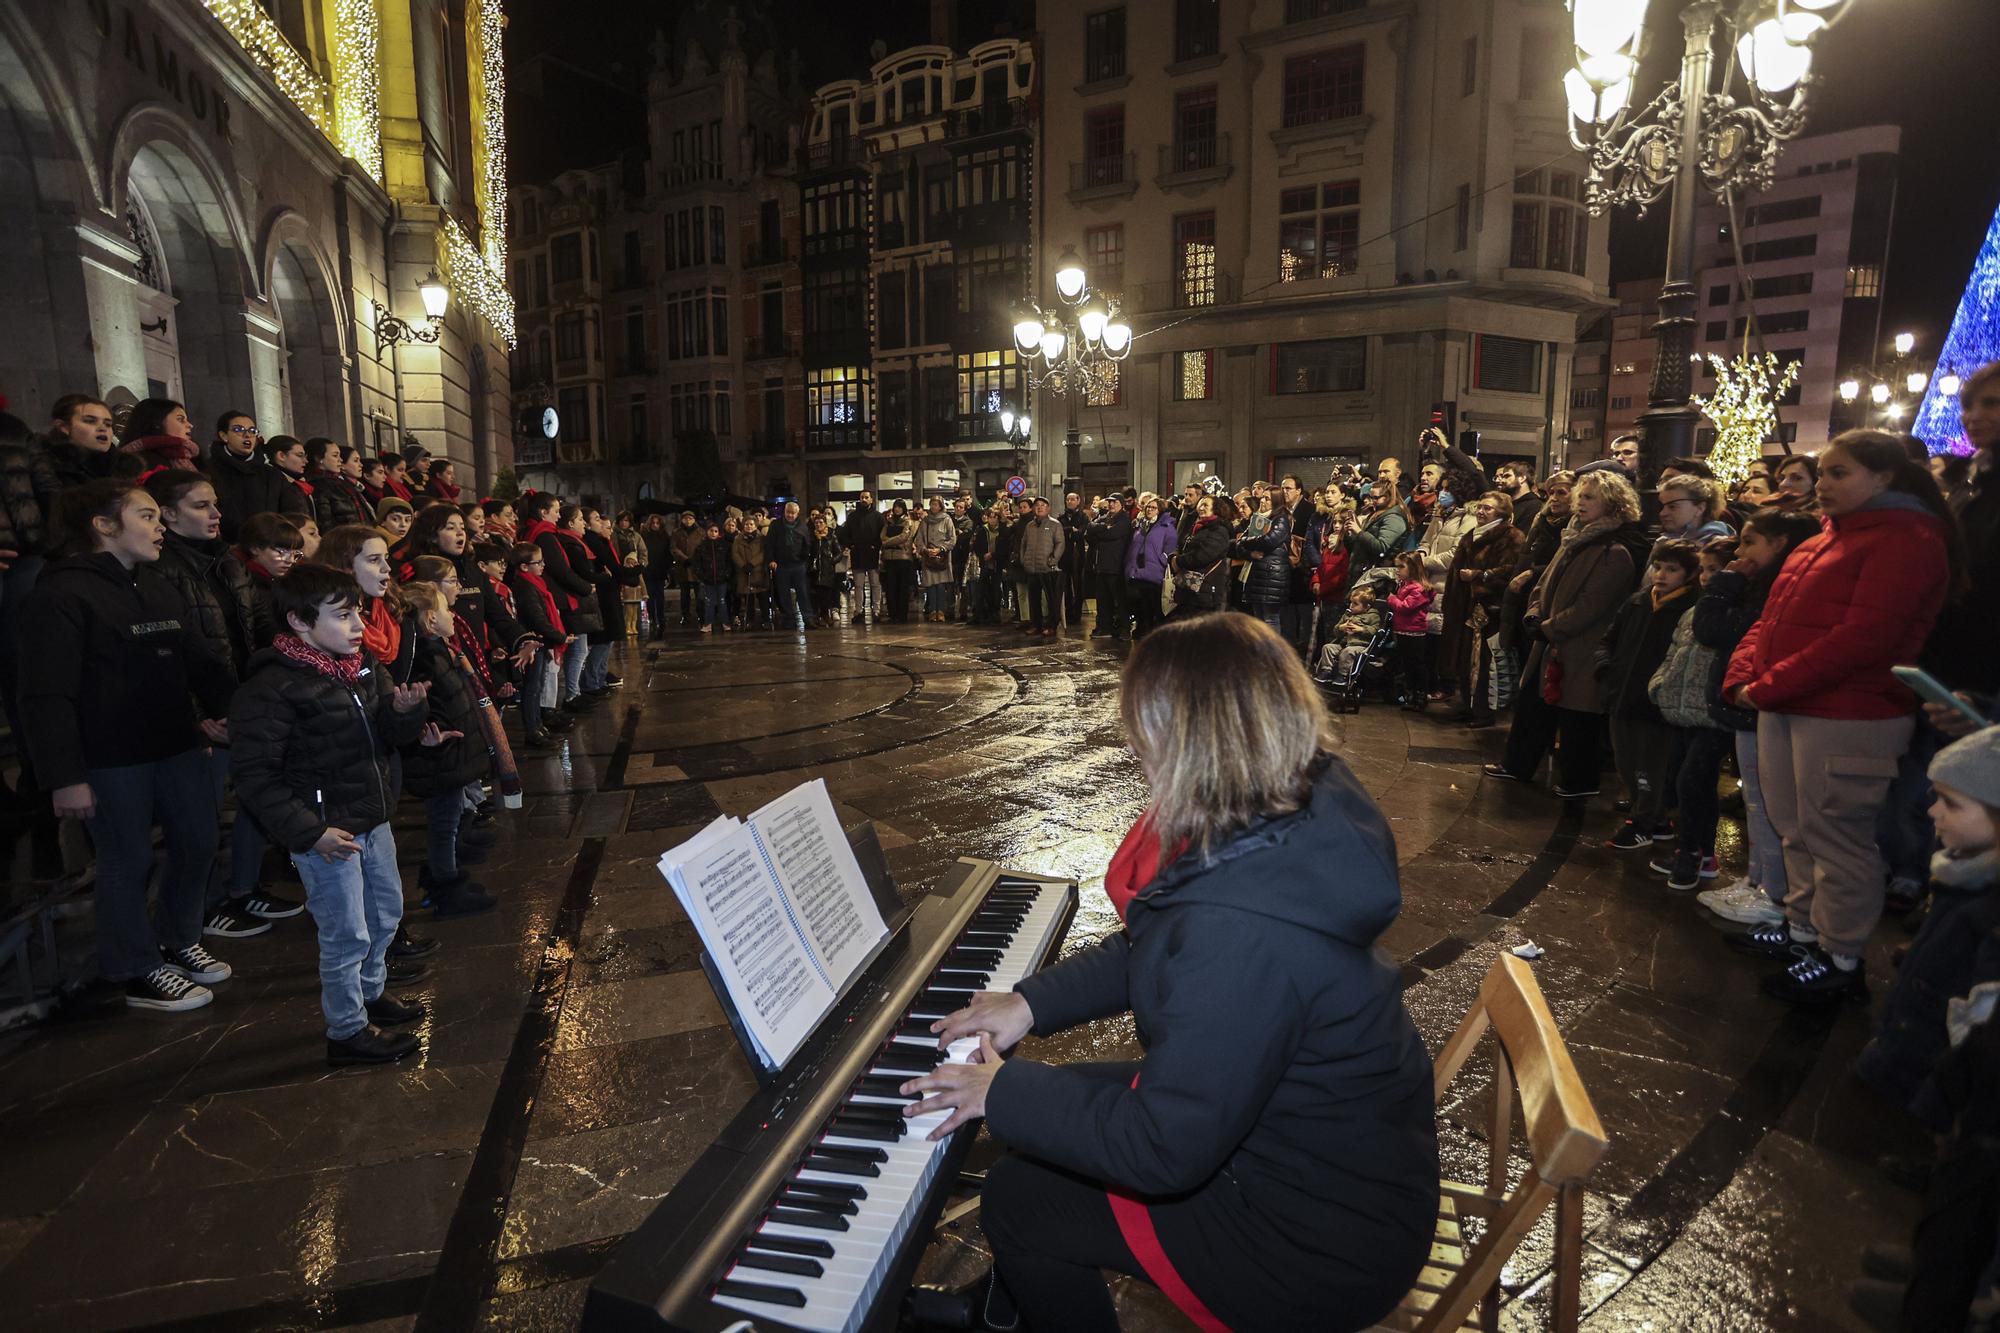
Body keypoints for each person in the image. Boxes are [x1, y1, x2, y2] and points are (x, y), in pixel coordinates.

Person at [906, 614, 1437, 1332]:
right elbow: (1166, 942)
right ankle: (1018, 1298)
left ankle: (1031, 1295)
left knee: (1019, 1199)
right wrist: (1030, 1003)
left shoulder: (1243, 931)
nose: (1133, 748)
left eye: (1144, 730)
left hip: (1310, 1242)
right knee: (1041, 1121)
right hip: (1320, 1152)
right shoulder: (1288, 805)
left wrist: (1000, 1089)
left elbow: (1164, 1148)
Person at [1725, 431, 1959, 1003]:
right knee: (1795, 825)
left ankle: (1841, 956)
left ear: (1883, 479)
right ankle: (1803, 928)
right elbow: (1770, 618)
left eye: (1839, 473)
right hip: (1787, 703)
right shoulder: (1819, 541)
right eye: (1822, 473)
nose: (1822, 484)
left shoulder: (1909, 539)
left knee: (1838, 836)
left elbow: (1866, 639)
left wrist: (1769, 686)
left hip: (1850, 711)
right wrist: (1743, 675)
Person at [18, 480, 235, 1011]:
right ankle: (133, 966)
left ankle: (178, 938)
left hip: (174, 744)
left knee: (198, 841)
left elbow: (198, 659)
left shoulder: (156, 584)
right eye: (146, 515)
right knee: (127, 859)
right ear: (103, 524)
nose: (159, 525)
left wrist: (235, 709)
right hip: (111, 757)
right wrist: (65, 776)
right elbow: (45, 693)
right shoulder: (61, 593)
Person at [229, 564, 434, 1064]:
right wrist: (310, 833)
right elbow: (256, 776)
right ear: (300, 621)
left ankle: (370, 994)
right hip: (326, 832)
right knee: (346, 932)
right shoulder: (274, 687)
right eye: (342, 616)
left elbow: (385, 738)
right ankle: (346, 1031)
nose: (359, 625)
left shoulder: (362, 668)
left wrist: (405, 714)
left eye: (357, 613)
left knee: (385, 913)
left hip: (371, 816)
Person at [146, 471, 297, 938]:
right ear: (168, 515)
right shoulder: (160, 567)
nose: (216, 514)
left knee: (255, 800)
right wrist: (199, 715)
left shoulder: (226, 563)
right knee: (202, 822)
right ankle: (206, 907)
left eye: (215, 504)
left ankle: (243, 888)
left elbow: (256, 630)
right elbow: (174, 651)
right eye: (200, 506)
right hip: (204, 716)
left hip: (240, 701)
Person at [1691, 510, 1824, 924]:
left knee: (1767, 804)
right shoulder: (1761, 587)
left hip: (1762, 701)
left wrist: (1725, 581)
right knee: (1758, 802)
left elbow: (1712, 628)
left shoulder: (1769, 590)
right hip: (1750, 703)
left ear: (1781, 543)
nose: (1740, 551)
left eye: (1750, 542)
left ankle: (1773, 891)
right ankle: (1756, 879)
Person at [1486, 469, 1647, 797]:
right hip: (1551, 641)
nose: (1579, 503)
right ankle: (1518, 764)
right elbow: (1545, 583)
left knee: (1578, 717)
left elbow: (1593, 605)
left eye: (1589, 497)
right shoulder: (1574, 539)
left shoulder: (1613, 551)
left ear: (1612, 504)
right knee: (1534, 704)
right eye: (1580, 496)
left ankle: (1579, 782)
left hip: (1580, 647)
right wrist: (1534, 613)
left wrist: (1549, 627)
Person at [397, 574, 497, 918]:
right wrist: (436, 735)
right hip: (440, 755)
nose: (453, 616)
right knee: (443, 824)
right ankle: (445, 886)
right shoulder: (426, 656)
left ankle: (446, 875)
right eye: (446, 610)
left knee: (450, 820)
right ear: (430, 619)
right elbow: (431, 704)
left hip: (450, 754)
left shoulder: (439, 650)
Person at [1596, 540, 1700, 849]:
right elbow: (1608, 639)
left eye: (1672, 570)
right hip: (1623, 696)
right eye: (1658, 567)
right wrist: (1606, 669)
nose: (1662, 575)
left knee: (1650, 766)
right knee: (1627, 762)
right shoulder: (1639, 602)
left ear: (1688, 574)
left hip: (1655, 704)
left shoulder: (1688, 609)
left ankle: (1645, 822)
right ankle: (1654, 818)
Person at [1439, 491, 1527, 726]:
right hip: (1464, 607)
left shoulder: (1511, 537)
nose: (1480, 511)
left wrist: (1480, 577)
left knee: (1485, 662)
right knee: (1466, 659)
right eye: (1480, 507)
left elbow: (1511, 570)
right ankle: (1468, 705)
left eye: (1487, 508)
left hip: (1489, 609)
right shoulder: (1471, 535)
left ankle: (1484, 711)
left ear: (1501, 513)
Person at [204, 411, 308, 541]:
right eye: (238, 429)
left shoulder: (272, 474)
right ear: (224, 435)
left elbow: (293, 511)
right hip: (225, 546)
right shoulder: (208, 471)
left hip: (269, 546)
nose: (247, 435)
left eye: (252, 431)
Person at [506, 541, 568, 744]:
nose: (543, 565)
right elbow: (537, 619)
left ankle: (538, 726)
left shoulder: (535, 584)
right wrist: (560, 637)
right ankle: (532, 730)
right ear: (524, 567)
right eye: (538, 562)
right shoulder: (525, 587)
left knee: (538, 684)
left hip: (540, 641)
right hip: (533, 642)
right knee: (532, 688)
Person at [1168, 495, 1236, 618]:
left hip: (1207, 589)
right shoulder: (1200, 527)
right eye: (1201, 504)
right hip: (1192, 588)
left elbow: (1203, 556)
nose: (1201, 507)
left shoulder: (1219, 530)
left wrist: (1178, 560)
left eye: (1206, 505)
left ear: (1216, 509)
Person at [1385, 551, 1435, 711]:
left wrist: (1391, 598)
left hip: (1414, 632)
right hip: (1403, 630)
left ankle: (1420, 696)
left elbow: (1405, 607)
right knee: (1408, 665)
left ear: (1413, 568)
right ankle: (1411, 695)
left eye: (1401, 566)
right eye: (1396, 566)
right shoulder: (1405, 585)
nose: (1397, 570)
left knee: (1416, 665)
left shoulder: (1418, 589)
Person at [1124, 495, 1177, 640]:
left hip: (1154, 572)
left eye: (1153, 508)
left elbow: (1171, 546)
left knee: (1152, 605)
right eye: (1148, 507)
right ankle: (1141, 630)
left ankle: (1154, 634)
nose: (1149, 510)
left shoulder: (1167, 527)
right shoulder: (1140, 525)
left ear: (1159, 510)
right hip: (1137, 570)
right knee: (1139, 604)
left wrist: (1162, 559)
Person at [1085, 493, 1133, 639]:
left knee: (1119, 600)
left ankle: (1124, 628)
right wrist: (1103, 528)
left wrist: (1100, 532)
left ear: (1121, 504)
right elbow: (1089, 529)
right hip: (1101, 565)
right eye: (1110, 502)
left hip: (1116, 565)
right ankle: (1104, 627)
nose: (1112, 505)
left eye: (1115, 502)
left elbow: (1112, 534)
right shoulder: (1106, 518)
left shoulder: (1124, 520)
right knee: (1102, 599)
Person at [1019, 496, 1066, 636]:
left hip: (1047, 568)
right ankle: (1036, 625)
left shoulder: (1055, 524)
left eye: (1043, 505)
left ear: (1048, 508)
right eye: (1037, 505)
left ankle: (1052, 625)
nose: (1039, 507)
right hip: (1031, 568)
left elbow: (1060, 543)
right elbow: (1023, 544)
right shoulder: (1030, 525)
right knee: (1033, 599)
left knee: (1052, 599)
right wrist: (1024, 559)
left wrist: (1053, 559)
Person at [304, 437, 373, 530]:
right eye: (335, 455)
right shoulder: (318, 486)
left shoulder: (340, 482)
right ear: (319, 458)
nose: (340, 460)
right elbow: (325, 523)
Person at [120, 398, 201, 474]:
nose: (190, 425)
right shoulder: (140, 462)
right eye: (180, 419)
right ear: (157, 423)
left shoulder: (190, 457)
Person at [841, 491, 885, 624]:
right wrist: (851, 545)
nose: (864, 499)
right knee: (858, 586)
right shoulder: (853, 516)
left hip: (872, 554)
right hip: (858, 554)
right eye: (862, 497)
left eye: (866, 497)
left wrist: (876, 546)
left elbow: (882, 534)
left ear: (871, 500)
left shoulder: (877, 516)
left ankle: (876, 610)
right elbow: (845, 533)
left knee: (875, 584)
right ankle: (858, 611)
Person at [913, 495, 958, 623]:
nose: (934, 507)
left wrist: (942, 548)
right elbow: (919, 539)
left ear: (941, 506)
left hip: (942, 557)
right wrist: (925, 550)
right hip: (928, 557)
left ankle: (941, 611)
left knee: (941, 585)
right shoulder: (925, 521)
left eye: (936, 504)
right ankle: (932, 610)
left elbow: (952, 538)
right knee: (930, 585)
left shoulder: (947, 519)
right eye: (932, 504)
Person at [1658, 474, 1735, 545]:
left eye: (1672, 506)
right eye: (1662, 507)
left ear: (1700, 508)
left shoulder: (1716, 545)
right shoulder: (1665, 541)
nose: (1662, 513)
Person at [690, 519, 732, 634]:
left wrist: (726, 574)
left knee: (722, 601)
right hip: (708, 580)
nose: (713, 533)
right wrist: (702, 576)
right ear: (707, 532)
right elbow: (697, 564)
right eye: (711, 531)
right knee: (709, 602)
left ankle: (726, 623)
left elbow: (728, 562)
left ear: (718, 533)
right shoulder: (701, 547)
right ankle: (708, 623)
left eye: (715, 531)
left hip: (721, 579)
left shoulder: (724, 546)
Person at [879, 500, 915, 623]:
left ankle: (902, 615)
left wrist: (887, 542)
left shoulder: (907, 521)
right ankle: (892, 613)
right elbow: (882, 536)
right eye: (895, 507)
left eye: (900, 507)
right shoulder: (888, 522)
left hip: (903, 558)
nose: (897, 509)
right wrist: (888, 541)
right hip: (889, 558)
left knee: (902, 588)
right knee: (890, 588)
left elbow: (904, 537)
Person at [1059, 492, 1090, 628]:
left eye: (1073, 499)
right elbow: (1059, 533)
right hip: (1064, 556)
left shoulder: (1083, 517)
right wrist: (1071, 530)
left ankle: (1076, 615)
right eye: (1068, 499)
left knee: (1077, 586)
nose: (1070, 502)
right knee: (1064, 587)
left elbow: (1081, 534)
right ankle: (1066, 613)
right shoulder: (1061, 517)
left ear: (1078, 501)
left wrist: (1071, 533)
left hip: (1078, 557)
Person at [1495, 460, 1541, 532]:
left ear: (1522, 478)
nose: (1502, 480)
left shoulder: (1535, 506)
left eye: (1507, 476)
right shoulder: (1505, 505)